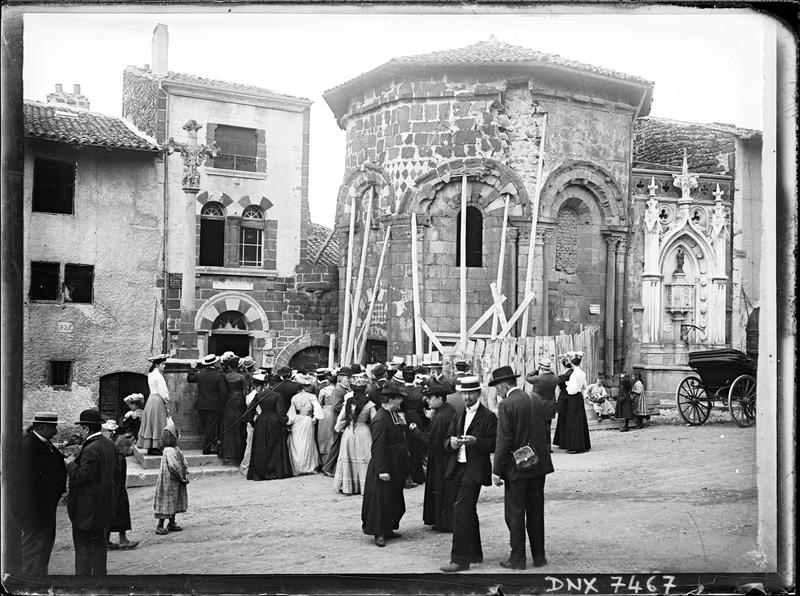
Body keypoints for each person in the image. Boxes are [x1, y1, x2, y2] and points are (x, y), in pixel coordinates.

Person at [491, 365, 555, 570]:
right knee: (536, 512)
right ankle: (539, 556)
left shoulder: (506, 405)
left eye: (496, 387)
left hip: (517, 468)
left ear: (502, 386)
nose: (496, 392)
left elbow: (504, 441)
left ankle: (517, 559)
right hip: (539, 465)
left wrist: (497, 471)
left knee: (515, 513)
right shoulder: (534, 399)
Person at [439, 375, 497, 573]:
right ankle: (475, 554)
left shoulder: (488, 416)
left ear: (478, 393)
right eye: (464, 393)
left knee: (461, 510)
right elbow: (446, 439)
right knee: (468, 510)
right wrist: (451, 443)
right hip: (458, 466)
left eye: (471, 393)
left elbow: (495, 443)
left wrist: (476, 441)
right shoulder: (458, 414)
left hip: (475, 469)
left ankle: (459, 559)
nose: (467, 397)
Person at [67, 409, 118, 576]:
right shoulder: (109, 444)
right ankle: (99, 580)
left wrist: (70, 464)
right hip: (103, 506)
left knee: (83, 550)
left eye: (81, 427)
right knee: (99, 548)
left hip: (86, 509)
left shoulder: (91, 449)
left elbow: (81, 476)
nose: (79, 431)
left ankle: (83, 585)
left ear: (86, 429)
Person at [361, 385, 411, 547]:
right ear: (390, 400)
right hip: (384, 467)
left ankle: (388, 528)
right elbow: (377, 447)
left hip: (395, 464)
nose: (401, 401)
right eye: (398, 398)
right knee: (380, 501)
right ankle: (379, 533)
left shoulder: (392, 414)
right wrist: (382, 470)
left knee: (393, 500)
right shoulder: (381, 419)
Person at [21, 412, 67, 575]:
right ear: (40, 427)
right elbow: (28, 483)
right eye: (52, 426)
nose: (55, 430)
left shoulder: (44, 443)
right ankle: (28, 581)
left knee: (45, 545)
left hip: (46, 507)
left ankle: (40, 576)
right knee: (32, 547)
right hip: (35, 510)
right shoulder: (29, 447)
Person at [408, 382, 458, 532]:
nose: (428, 402)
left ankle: (443, 521)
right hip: (447, 456)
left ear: (440, 399)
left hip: (440, 458)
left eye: (430, 398)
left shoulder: (441, 416)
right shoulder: (448, 411)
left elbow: (430, 441)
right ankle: (443, 520)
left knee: (441, 488)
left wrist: (415, 431)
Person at [333, 372, 377, 494]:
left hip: (349, 432)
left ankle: (349, 487)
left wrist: (340, 428)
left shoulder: (348, 402)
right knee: (364, 457)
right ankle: (364, 486)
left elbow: (340, 419)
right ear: (365, 389)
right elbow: (375, 421)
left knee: (348, 457)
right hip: (363, 432)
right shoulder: (369, 404)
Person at [248, 373, 293, 480]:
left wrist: (253, 423)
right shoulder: (277, 395)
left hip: (262, 421)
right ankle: (272, 472)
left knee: (261, 447)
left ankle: (260, 473)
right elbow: (281, 412)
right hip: (274, 422)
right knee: (274, 447)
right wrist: (284, 422)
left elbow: (249, 412)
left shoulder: (258, 395)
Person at [153, 422, 189, 535]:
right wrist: (181, 476)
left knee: (174, 501)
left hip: (174, 481)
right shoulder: (169, 451)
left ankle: (172, 522)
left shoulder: (176, 449)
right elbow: (173, 466)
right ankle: (160, 525)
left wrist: (185, 472)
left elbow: (183, 462)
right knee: (166, 503)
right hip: (169, 481)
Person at [107, 429, 139, 551]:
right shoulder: (119, 458)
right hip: (117, 489)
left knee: (111, 514)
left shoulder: (114, 455)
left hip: (113, 489)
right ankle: (122, 539)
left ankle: (108, 539)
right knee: (121, 514)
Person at [286, 373, 324, 475]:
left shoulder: (294, 398)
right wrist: (315, 418)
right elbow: (318, 409)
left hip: (297, 420)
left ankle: (299, 467)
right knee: (306, 442)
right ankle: (307, 467)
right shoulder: (312, 397)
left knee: (298, 443)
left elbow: (292, 412)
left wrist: (290, 422)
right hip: (307, 420)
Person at [190, 354, 227, 455]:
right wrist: (221, 404)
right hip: (214, 406)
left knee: (206, 426)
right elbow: (223, 392)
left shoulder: (200, 374)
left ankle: (212, 443)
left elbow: (190, 378)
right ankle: (207, 448)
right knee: (211, 427)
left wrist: (192, 368)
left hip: (201, 405)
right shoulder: (218, 375)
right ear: (214, 363)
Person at [137, 353, 172, 456]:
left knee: (151, 423)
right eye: (163, 364)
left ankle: (151, 446)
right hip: (158, 400)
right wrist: (167, 399)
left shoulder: (151, 374)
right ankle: (156, 446)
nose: (164, 366)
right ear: (157, 365)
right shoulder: (159, 376)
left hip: (151, 399)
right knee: (158, 423)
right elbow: (163, 392)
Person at [322, 366, 352, 476]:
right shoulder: (338, 390)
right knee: (336, 445)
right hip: (337, 422)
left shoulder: (344, 389)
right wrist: (348, 405)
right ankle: (328, 467)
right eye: (347, 378)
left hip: (340, 421)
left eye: (349, 378)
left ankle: (330, 468)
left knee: (337, 445)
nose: (348, 380)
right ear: (340, 378)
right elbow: (335, 407)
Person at [219, 354, 248, 465]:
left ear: (230, 367)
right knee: (239, 428)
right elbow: (245, 392)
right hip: (239, 402)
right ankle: (239, 454)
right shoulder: (241, 377)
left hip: (229, 403)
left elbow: (223, 392)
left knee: (228, 427)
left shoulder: (225, 377)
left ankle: (227, 453)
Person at [560, 352, 591, 454]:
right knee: (580, 420)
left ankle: (575, 446)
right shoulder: (582, 373)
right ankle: (583, 444)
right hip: (579, 397)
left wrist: (566, 383)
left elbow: (571, 390)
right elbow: (585, 386)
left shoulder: (573, 374)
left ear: (572, 363)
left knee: (573, 421)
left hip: (573, 397)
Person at [526, 358, 559, 450]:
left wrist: (536, 370)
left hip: (538, 405)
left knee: (537, 427)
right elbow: (555, 376)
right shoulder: (555, 378)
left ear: (541, 367)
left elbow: (528, 377)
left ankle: (539, 446)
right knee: (547, 427)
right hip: (550, 405)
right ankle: (548, 446)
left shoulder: (538, 378)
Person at [551, 353, 574, 449]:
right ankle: (562, 441)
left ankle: (563, 441)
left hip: (565, 397)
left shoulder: (569, 372)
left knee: (563, 419)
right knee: (563, 419)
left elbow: (560, 382)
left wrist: (556, 377)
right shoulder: (570, 372)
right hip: (565, 397)